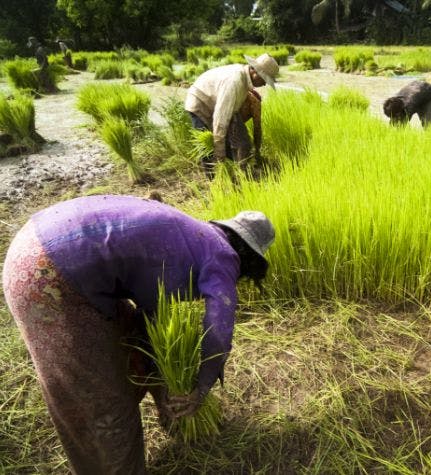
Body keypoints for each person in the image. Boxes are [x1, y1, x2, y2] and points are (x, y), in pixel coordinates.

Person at [2, 194, 275, 474]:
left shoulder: (192, 235)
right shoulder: (223, 255)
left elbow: (151, 315)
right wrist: (201, 388)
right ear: (250, 259)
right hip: (48, 277)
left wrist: (170, 372)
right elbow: (219, 330)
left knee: (130, 343)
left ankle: (172, 417)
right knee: (102, 398)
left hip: (35, 241)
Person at [184, 53, 279, 178]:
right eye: (265, 79)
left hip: (218, 104)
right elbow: (220, 119)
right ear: (256, 72)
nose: (265, 84)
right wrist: (220, 153)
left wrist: (248, 144)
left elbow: (231, 113)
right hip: (200, 102)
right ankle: (215, 182)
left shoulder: (245, 82)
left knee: (243, 142)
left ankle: (242, 172)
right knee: (208, 150)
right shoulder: (235, 81)